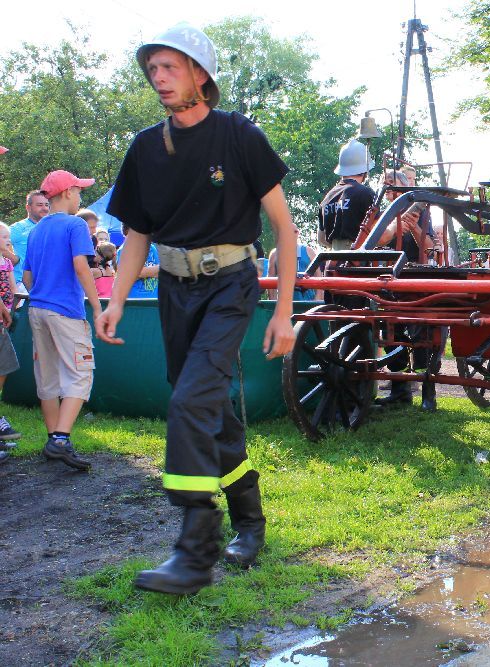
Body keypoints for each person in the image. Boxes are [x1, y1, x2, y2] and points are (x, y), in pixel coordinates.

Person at [95, 22, 296, 595]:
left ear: (200, 75)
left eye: (170, 67)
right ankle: (250, 518)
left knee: (188, 401)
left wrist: (282, 312)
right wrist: (114, 302)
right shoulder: (143, 148)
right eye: (153, 68)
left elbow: (284, 225)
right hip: (173, 291)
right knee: (207, 408)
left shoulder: (238, 135)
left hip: (232, 284)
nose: (159, 78)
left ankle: (195, 546)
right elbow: (137, 236)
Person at [22, 170, 102, 471]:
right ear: (67, 192)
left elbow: (27, 277)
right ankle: (60, 440)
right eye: (79, 191)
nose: (81, 196)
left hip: (37, 309)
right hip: (65, 312)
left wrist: (43, 295)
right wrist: (97, 306)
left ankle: (53, 441)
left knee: (48, 378)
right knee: (80, 374)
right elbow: (81, 266)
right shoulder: (75, 224)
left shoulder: (36, 230)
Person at [368, 169, 439, 410]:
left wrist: (414, 228)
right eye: (385, 184)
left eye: (391, 185)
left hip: (416, 278)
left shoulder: (421, 212)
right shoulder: (383, 214)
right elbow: (378, 240)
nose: (388, 190)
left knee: (424, 336)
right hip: (390, 277)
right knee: (390, 332)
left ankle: (429, 391)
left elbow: (429, 247)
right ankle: (400, 389)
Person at [318, 139, 376, 251]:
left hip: (333, 261)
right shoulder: (365, 194)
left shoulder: (327, 199)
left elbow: (321, 239)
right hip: (358, 262)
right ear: (365, 170)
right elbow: (380, 237)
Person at [0, 223, 21, 457]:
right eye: (3, 236)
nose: (8, 239)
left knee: (6, 364)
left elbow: (12, 287)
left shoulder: (6, 261)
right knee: (5, 363)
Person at [10, 190, 50, 291]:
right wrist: (13, 258)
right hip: (22, 285)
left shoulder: (52, 227)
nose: (44, 208)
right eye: (40, 205)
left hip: (47, 284)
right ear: (28, 207)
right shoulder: (18, 228)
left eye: (46, 205)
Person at [267, 225, 316, 300]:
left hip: (308, 302)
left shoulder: (309, 251)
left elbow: (319, 277)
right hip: (283, 303)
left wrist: (317, 300)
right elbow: (270, 280)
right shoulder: (275, 254)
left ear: (297, 233)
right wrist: (272, 304)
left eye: (295, 231)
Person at [116, 225, 160, 299]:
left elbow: (161, 271)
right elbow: (129, 275)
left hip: (155, 299)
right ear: (127, 231)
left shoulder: (152, 248)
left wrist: (141, 272)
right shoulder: (124, 250)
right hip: (135, 301)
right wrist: (154, 271)